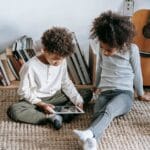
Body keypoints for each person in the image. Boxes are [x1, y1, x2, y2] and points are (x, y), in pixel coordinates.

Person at [73, 11, 150, 150]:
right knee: (98, 113)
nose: (105, 52)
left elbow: (137, 72)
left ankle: (89, 133)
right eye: (103, 48)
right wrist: (95, 86)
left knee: (108, 110)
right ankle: (92, 142)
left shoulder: (132, 49)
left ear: (121, 43)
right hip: (105, 93)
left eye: (109, 50)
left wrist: (140, 93)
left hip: (124, 94)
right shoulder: (103, 48)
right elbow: (99, 68)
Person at [7, 27, 92, 130]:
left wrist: (77, 100)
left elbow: (66, 83)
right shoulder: (29, 66)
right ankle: (51, 117)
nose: (58, 63)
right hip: (35, 100)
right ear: (44, 50)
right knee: (15, 110)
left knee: (86, 93)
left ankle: (58, 113)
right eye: (54, 59)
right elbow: (23, 92)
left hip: (56, 96)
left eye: (61, 59)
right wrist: (42, 104)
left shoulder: (61, 61)